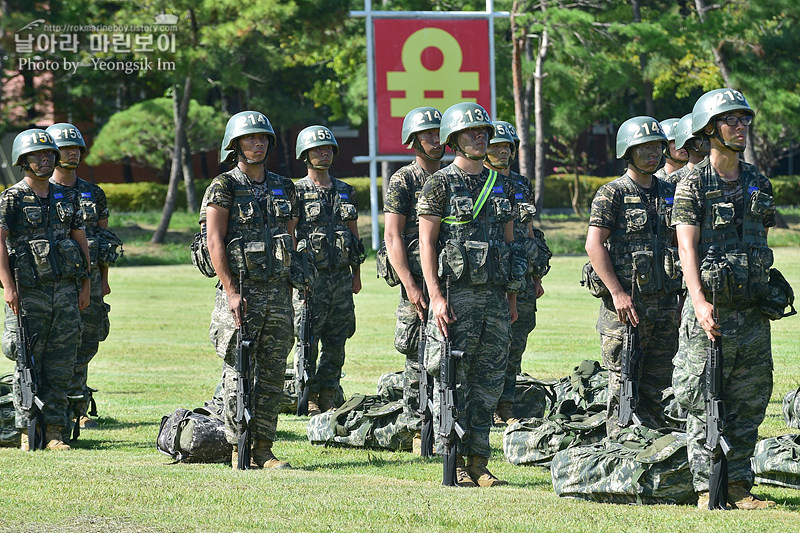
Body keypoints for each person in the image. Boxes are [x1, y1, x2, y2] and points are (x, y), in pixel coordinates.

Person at [672, 88, 776, 509]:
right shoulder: (693, 182)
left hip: (751, 311)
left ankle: (738, 487)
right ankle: (704, 487)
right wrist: (698, 301)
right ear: (709, 129)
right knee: (702, 398)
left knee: (750, 398)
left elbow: (759, 241)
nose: (740, 127)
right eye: (730, 120)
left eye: (743, 120)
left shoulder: (757, 180)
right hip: (710, 310)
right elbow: (686, 248)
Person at [418, 102, 522, 487]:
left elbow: (511, 245)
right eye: (470, 132)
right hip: (455, 297)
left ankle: (479, 461)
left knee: (488, 381)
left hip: (495, 299)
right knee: (453, 381)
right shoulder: (439, 184)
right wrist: (436, 298)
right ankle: (455, 460)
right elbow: (426, 244)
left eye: (483, 131)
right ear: (453, 140)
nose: (480, 136)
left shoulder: (502, 185)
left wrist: (512, 296)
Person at [201, 110, 296, 469]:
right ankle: (234, 443)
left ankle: (264, 448)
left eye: (263, 138)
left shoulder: (284, 186)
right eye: (250, 138)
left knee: (272, 373)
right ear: (235, 145)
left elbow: (291, 237)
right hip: (240, 291)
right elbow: (215, 240)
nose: (258, 143)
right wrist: (230, 291)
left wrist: (290, 285)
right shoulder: (224, 186)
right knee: (238, 370)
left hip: (277, 294)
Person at [584, 116, 681, 438]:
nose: (654, 153)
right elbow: (594, 245)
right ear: (627, 150)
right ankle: (619, 445)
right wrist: (617, 293)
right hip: (626, 308)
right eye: (645, 147)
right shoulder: (612, 193)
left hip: (665, 305)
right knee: (622, 383)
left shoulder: (670, 191)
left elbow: (679, 244)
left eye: (657, 146)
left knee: (658, 383)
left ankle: (652, 445)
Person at [0, 129, 91, 451]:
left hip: (65, 291)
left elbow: (79, 239)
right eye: (37, 155)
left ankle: (55, 432)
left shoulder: (67, 196)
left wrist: (86, 283)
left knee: (61, 364)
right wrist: (8, 287)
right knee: (26, 362)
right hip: (28, 293)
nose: (45, 159)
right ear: (22, 161)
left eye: (49, 155)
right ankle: (27, 430)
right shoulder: (11, 197)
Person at [46, 123, 119, 433]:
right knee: (56, 342)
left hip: (89, 279)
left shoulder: (93, 192)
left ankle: (79, 407)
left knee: (87, 339)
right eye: (65, 148)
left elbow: (103, 240)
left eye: (76, 148)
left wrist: (103, 279)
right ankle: (53, 406)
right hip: (54, 280)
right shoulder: (40, 191)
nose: (72, 152)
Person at [383, 107, 444, 451]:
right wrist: (409, 285)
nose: (436, 140)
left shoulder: (452, 177)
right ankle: (419, 428)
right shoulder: (403, 180)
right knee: (418, 356)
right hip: (417, 283)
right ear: (414, 141)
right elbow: (393, 237)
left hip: (449, 282)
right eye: (428, 135)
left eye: (439, 134)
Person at [291, 125, 364, 415]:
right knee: (307, 339)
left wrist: (356, 274)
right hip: (312, 281)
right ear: (304, 155)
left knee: (338, 339)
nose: (324, 153)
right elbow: (291, 234)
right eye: (317, 149)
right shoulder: (296, 192)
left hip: (341, 281)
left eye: (328, 148)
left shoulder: (346, 191)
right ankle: (307, 395)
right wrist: (296, 278)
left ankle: (329, 392)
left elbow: (354, 235)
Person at [484, 121, 549, 425]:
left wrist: (536, 277)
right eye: (496, 146)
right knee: (490, 344)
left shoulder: (522, 184)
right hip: (492, 275)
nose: (502, 151)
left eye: (507, 146)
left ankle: (505, 405)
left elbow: (529, 230)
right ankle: (486, 403)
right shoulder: (480, 182)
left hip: (522, 275)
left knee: (516, 342)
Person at [672, 112, 710, 183]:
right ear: (687, 143)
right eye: (700, 137)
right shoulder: (675, 179)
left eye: (708, 136)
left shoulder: (720, 173)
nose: (707, 140)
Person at [655, 118, 689, 184]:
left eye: (685, 140)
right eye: (677, 141)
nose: (683, 145)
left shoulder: (697, 175)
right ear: (664, 147)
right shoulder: (656, 180)